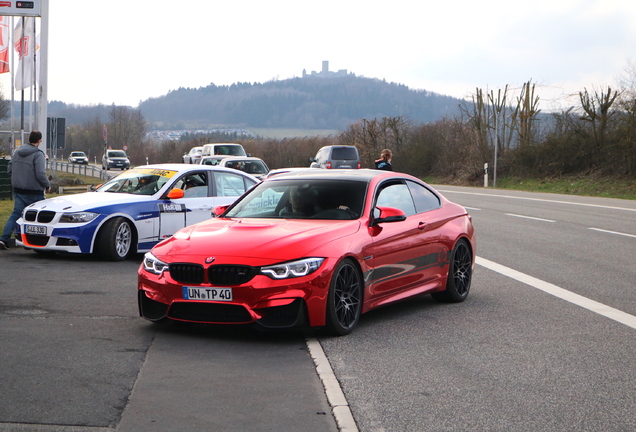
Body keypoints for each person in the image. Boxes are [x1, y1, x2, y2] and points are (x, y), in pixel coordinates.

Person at [0, 131, 50, 250]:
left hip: (19, 190)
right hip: (34, 192)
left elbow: (9, 168)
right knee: (38, 218)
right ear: (39, 141)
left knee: (16, 214)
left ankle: (4, 238)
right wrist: (47, 185)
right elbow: (40, 174)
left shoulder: (17, 152)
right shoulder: (38, 154)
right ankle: (35, 241)